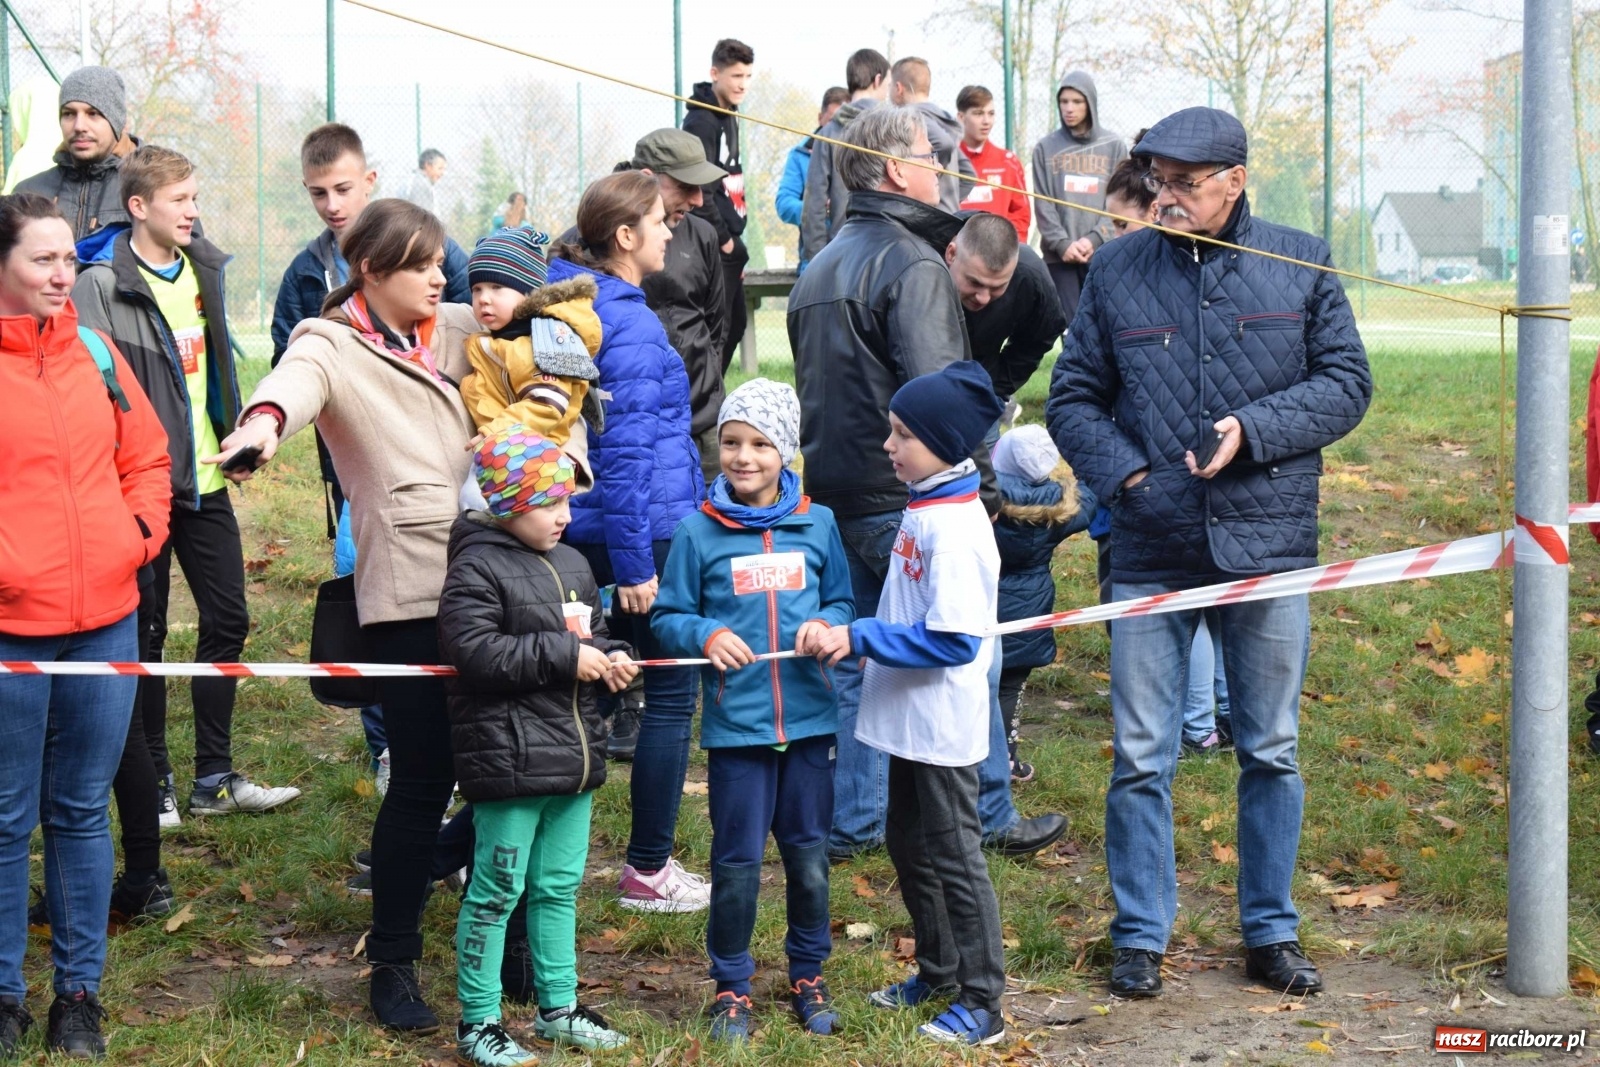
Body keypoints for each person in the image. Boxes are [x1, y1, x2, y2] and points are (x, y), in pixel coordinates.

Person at [1045, 107, 1373, 999]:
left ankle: (1270, 929)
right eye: (1158, 180)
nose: (1168, 197)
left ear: (1234, 179)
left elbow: (1348, 383)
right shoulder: (1116, 267)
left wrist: (1256, 428)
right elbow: (1070, 399)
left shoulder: (1300, 259)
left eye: (1186, 183)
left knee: (1270, 748)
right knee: (1141, 755)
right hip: (1153, 546)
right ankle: (1141, 934)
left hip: (1268, 546)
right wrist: (1131, 480)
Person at [213, 198, 483, 1032]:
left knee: (520, 767)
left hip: (500, 577)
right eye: (421, 264)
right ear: (370, 269)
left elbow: (552, 356)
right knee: (422, 779)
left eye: (442, 262)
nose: (441, 276)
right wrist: (259, 429)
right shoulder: (332, 339)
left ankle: (505, 939)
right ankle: (393, 957)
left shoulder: (465, 326)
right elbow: (291, 387)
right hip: (408, 587)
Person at [789, 107, 1057, 860]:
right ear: (893, 169)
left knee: (862, 656)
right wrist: (984, 489)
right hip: (907, 498)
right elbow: (944, 400)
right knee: (975, 646)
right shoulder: (911, 263)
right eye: (927, 153)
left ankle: (856, 821)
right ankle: (991, 816)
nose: (941, 163)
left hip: (835, 496)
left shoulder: (818, 268)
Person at [73, 144, 301, 824]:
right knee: (145, 634)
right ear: (139, 207)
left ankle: (214, 777)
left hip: (207, 479)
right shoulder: (99, 285)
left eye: (196, 199)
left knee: (228, 617)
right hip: (136, 489)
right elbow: (95, 395)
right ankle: (158, 782)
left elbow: (209, 369)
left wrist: (234, 434)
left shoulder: (204, 268)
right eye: (181, 201)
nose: (193, 211)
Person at [0, 192, 172, 1060]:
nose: (63, 275)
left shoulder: (98, 352)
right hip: (9, 631)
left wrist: (135, 538)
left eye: (70, 258)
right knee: (4, 814)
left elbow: (147, 458)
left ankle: (78, 996)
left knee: (78, 809)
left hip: (106, 618)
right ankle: (3, 991)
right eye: (43, 260)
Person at [651, 379, 855, 1044]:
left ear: (786, 452)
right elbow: (668, 615)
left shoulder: (817, 524)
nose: (743, 456)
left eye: (761, 444)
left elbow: (845, 604)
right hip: (737, 729)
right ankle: (731, 985)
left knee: (809, 857)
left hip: (809, 724)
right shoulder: (697, 533)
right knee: (735, 862)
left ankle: (807, 971)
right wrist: (704, 633)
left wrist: (828, 621)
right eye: (732, 441)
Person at [813, 361, 1008, 1047]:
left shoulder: (955, 527)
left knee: (954, 851)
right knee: (905, 839)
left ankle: (984, 999)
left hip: (941, 723)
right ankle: (938, 968)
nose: (889, 446)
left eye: (903, 435)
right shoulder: (927, 503)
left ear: (946, 442)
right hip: (908, 718)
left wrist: (861, 634)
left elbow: (954, 639)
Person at [440, 429, 637, 1064]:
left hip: (575, 762)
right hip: (509, 762)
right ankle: (478, 1021)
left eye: (569, 501)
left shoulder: (576, 564)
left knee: (558, 888)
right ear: (508, 504)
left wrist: (613, 658)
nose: (566, 515)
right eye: (550, 503)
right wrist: (565, 656)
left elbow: (596, 634)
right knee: (495, 893)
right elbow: (473, 653)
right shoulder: (474, 565)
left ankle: (559, 1007)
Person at [547, 173, 709, 912]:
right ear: (624, 237)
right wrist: (640, 564)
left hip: (584, 527)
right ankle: (648, 867)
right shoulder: (631, 325)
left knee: (560, 706)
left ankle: (451, 849)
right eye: (658, 220)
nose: (669, 232)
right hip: (645, 533)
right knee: (672, 690)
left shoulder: (565, 303)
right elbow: (630, 453)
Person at [616, 129, 730, 488]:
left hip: (705, 421)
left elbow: (716, 325)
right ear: (648, 179)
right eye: (685, 186)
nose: (698, 199)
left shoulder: (703, 236)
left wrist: (707, 389)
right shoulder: (590, 241)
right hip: (637, 426)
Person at [460, 225, 602, 488]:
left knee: (474, 499)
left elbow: (548, 402)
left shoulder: (538, 342)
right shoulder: (499, 339)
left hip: (533, 455)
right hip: (510, 448)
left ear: (528, 293)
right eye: (477, 289)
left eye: (497, 287)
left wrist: (495, 432)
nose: (483, 299)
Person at [991, 425, 1094, 782]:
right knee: (1010, 685)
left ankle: (966, 759)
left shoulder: (979, 497)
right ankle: (1004, 759)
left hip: (981, 600)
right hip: (1028, 606)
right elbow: (1092, 499)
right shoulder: (1059, 508)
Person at [1030, 71, 1127, 323]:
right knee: (1071, 329)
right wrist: (1062, 244)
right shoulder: (1045, 148)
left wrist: (1095, 239)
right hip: (1060, 256)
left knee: (1105, 322)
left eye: (1077, 101)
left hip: (1104, 252)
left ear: (1090, 103)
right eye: (1064, 102)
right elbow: (1043, 202)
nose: (1069, 108)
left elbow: (1120, 202)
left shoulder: (1114, 145)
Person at [684, 38, 753, 371]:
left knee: (736, 324)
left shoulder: (731, 113)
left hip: (731, 239)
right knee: (719, 329)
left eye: (747, 77)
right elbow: (701, 188)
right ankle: (708, 400)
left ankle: (715, 393)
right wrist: (723, 238)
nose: (742, 84)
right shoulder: (702, 121)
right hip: (716, 240)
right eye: (736, 76)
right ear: (716, 73)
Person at [946, 212, 1065, 401]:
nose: (983, 298)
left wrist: (995, 385)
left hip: (980, 391)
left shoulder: (1030, 275)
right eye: (975, 282)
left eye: (997, 287)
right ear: (951, 254)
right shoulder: (920, 259)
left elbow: (1042, 333)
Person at [14, 67, 138, 243]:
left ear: (116, 121)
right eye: (69, 114)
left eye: (93, 114)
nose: (79, 126)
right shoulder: (29, 193)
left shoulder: (151, 186)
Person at [799, 48, 890, 259]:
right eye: (887, 84)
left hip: (841, 251)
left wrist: (816, 258)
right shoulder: (896, 129)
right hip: (887, 249)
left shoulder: (827, 133)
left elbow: (814, 203)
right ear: (877, 80)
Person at [888, 57, 976, 213]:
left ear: (898, 88)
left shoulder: (913, 118)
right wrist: (949, 203)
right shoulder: (942, 120)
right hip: (947, 216)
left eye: (890, 87)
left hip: (931, 221)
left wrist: (929, 173)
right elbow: (968, 173)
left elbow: (944, 144)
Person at [775, 86, 848, 270]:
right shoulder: (800, 154)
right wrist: (816, 208)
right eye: (832, 121)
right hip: (813, 258)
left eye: (843, 123)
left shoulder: (859, 154)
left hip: (850, 253)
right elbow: (784, 203)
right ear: (820, 118)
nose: (836, 130)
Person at [956, 85, 1031, 242]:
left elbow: (1021, 215)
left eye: (991, 114)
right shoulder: (949, 162)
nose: (986, 121)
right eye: (978, 113)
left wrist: (1007, 248)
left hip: (999, 256)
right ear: (961, 117)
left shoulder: (1008, 162)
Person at [400, 148, 446, 215]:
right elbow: (422, 219)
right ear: (428, 165)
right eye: (440, 168)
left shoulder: (414, 180)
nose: (442, 173)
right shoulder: (420, 185)